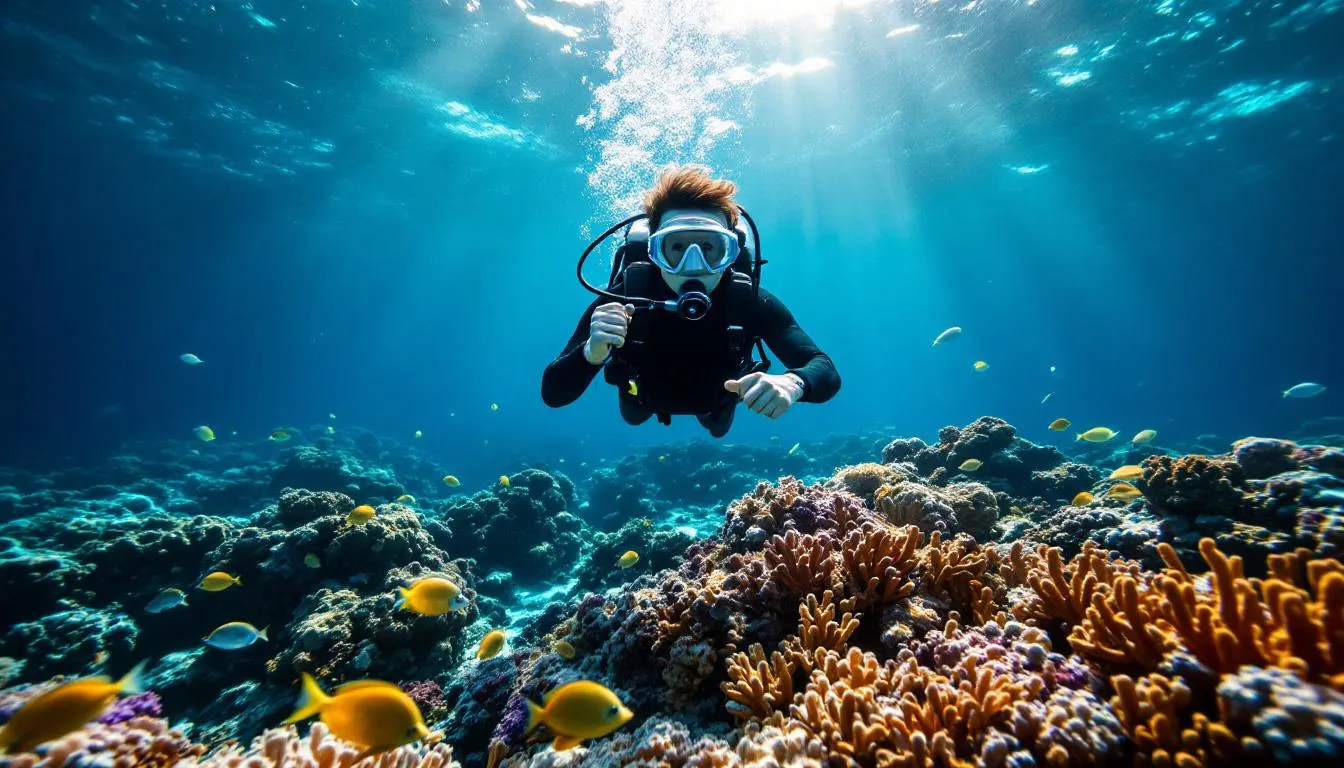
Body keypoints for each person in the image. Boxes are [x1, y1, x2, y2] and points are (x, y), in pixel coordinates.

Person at [541, 165, 839, 437]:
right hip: (641, 394)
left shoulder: (747, 299)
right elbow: (553, 393)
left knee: (717, 427)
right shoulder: (625, 297)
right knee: (634, 416)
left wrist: (793, 384)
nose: (693, 265)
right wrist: (590, 353)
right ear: (652, 251)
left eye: (710, 248)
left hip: (717, 399)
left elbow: (823, 368)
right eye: (677, 247)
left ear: (731, 253)